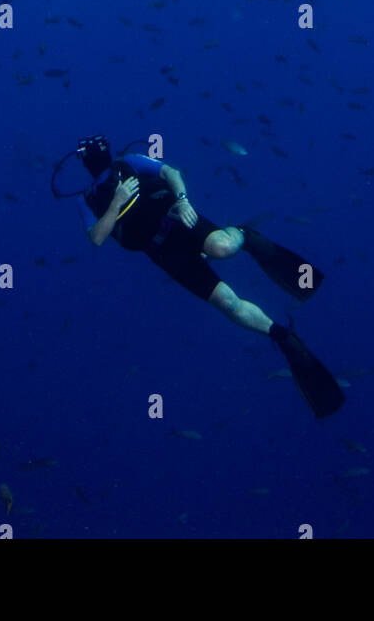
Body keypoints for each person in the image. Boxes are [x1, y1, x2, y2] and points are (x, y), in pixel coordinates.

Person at [63, 136, 344, 419]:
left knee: (222, 247)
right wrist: (117, 202)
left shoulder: (131, 161)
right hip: (162, 252)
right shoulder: (85, 200)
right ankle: (282, 336)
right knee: (227, 303)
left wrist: (184, 200)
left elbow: (170, 172)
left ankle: (244, 234)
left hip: (177, 219)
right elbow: (97, 238)